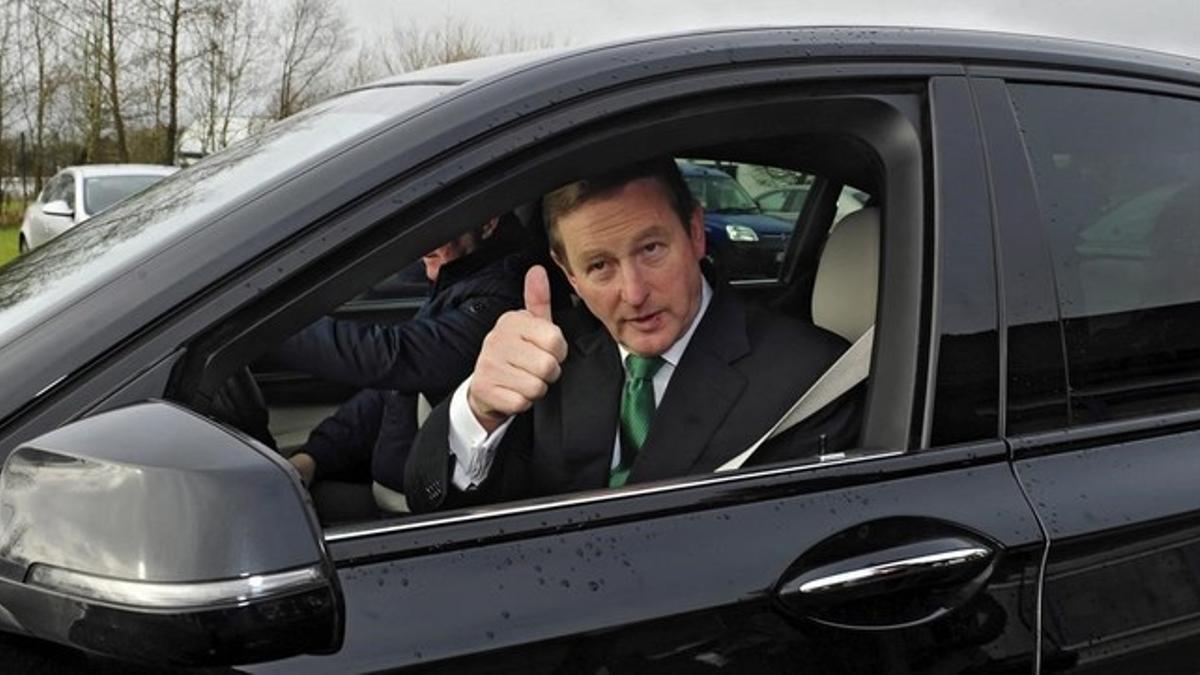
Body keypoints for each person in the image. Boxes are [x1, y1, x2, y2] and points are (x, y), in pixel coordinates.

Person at [403, 158, 859, 513]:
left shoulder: (811, 379)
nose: (634, 293)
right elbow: (437, 505)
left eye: (651, 249)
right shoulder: (547, 359)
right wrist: (478, 410)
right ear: (570, 275)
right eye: (599, 266)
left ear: (696, 235)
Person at [265, 214, 531, 500]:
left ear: (487, 223)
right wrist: (314, 458)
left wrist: (267, 330)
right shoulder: (461, 278)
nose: (422, 242)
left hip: (428, 509)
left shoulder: (502, 299)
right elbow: (392, 391)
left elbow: (395, 357)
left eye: (439, 224)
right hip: (399, 491)